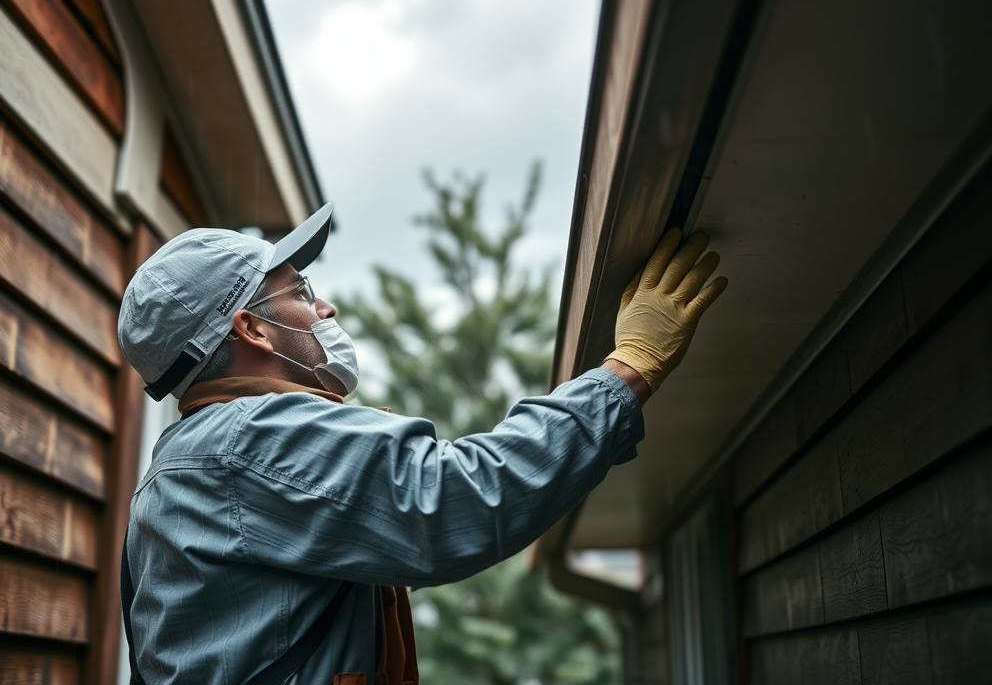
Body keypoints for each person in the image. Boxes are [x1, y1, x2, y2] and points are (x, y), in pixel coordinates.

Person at [117, 202, 727, 685]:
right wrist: (628, 372)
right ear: (251, 329)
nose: (324, 305)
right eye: (300, 292)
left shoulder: (180, 466)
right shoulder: (252, 439)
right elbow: (455, 496)